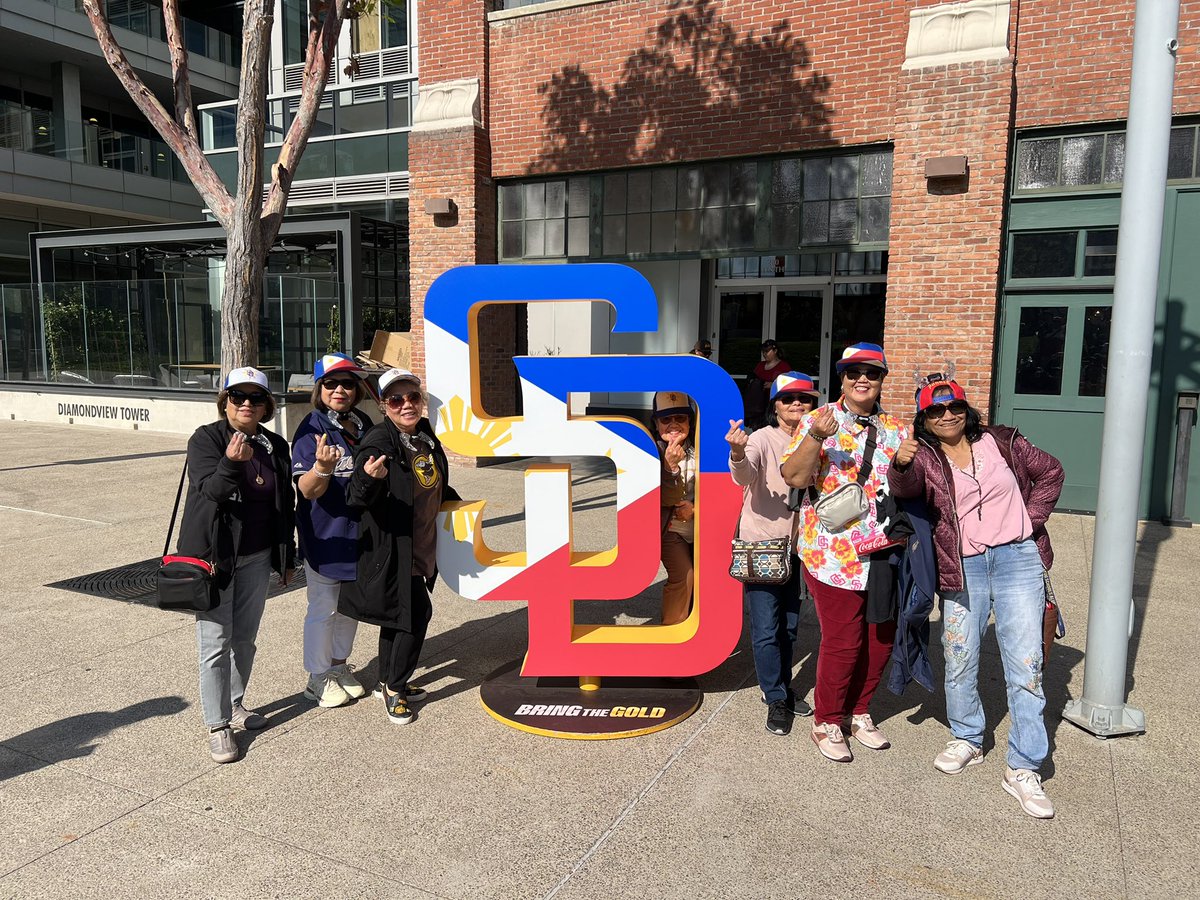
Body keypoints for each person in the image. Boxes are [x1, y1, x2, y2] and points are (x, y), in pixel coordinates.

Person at [888, 371, 1065, 819]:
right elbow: (904, 491)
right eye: (936, 410)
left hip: (1018, 561)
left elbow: (1051, 472)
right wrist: (901, 463)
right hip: (962, 565)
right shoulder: (924, 456)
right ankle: (968, 736)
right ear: (924, 419)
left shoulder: (1002, 441)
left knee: (1025, 663)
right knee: (960, 653)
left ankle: (1024, 767)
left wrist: (1028, 521)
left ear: (968, 410)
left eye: (955, 408)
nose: (947, 415)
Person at [780, 342, 907, 763]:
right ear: (842, 378)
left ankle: (859, 712)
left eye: (871, 372)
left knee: (880, 636)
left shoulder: (897, 429)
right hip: (830, 552)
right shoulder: (818, 419)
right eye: (853, 372)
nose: (862, 379)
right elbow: (795, 477)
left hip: (883, 548)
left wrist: (906, 463)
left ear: (882, 378)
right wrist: (817, 436)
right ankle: (827, 720)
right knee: (843, 638)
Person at [176, 367, 296, 764]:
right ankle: (218, 726)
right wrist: (230, 463)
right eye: (238, 397)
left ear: (267, 405)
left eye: (255, 398)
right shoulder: (206, 439)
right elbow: (209, 491)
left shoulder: (275, 445)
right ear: (225, 401)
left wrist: (285, 555)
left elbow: (284, 505)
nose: (246, 404)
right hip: (216, 557)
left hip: (259, 555)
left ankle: (235, 704)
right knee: (214, 644)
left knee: (244, 638)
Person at [339, 367, 456, 725]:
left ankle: (386, 681)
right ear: (383, 405)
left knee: (398, 616)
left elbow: (431, 482)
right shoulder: (379, 441)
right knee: (416, 614)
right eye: (396, 399)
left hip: (418, 543)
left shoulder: (423, 435)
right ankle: (395, 689)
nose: (406, 405)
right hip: (393, 547)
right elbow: (355, 496)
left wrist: (455, 502)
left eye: (413, 397)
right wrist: (367, 479)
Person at [726, 372, 820, 735]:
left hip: (803, 545)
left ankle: (782, 685)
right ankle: (775, 696)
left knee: (791, 626)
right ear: (775, 405)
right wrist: (736, 451)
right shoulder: (764, 438)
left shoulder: (818, 438)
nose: (797, 404)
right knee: (766, 627)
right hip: (764, 542)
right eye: (788, 398)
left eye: (805, 399)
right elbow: (743, 475)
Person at [291, 353, 375, 708]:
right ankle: (316, 676)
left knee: (350, 608)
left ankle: (339, 667)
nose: (339, 389)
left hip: (362, 535)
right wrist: (323, 468)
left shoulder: (364, 423)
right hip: (326, 536)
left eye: (347, 383)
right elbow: (307, 489)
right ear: (319, 389)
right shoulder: (310, 429)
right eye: (331, 384)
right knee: (323, 608)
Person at [654, 390, 696, 626]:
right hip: (670, 528)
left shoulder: (704, 447)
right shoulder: (652, 451)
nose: (673, 425)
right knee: (683, 576)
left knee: (706, 582)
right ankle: (672, 632)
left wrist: (696, 509)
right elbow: (665, 500)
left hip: (702, 524)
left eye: (680, 418)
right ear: (656, 422)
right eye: (665, 419)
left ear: (690, 421)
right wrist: (670, 467)